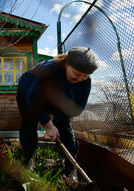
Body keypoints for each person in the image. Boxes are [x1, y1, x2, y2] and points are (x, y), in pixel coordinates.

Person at [16, 46, 99, 179]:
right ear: (66, 64)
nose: (80, 79)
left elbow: (77, 108)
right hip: (29, 95)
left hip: (57, 101)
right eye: (77, 74)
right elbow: (33, 98)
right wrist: (48, 124)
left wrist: (55, 116)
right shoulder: (50, 70)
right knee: (29, 124)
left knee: (66, 132)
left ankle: (71, 168)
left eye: (85, 76)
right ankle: (26, 161)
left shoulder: (85, 82)